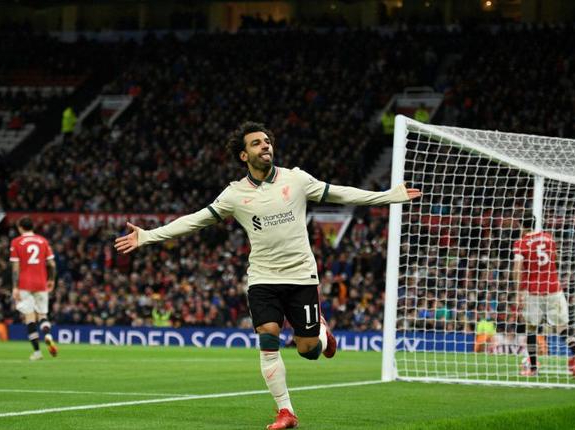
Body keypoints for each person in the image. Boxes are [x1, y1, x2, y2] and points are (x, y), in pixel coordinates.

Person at [115, 121, 421, 429]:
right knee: (268, 338)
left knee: (308, 351)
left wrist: (387, 196)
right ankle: (286, 411)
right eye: (256, 143)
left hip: (301, 277)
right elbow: (195, 220)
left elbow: (340, 194)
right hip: (262, 279)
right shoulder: (234, 194)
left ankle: (321, 334)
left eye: (267, 141)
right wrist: (148, 236)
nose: (265, 146)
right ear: (243, 156)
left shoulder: (296, 179)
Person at [512, 220, 575, 377]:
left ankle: (533, 368)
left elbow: (517, 268)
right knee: (562, 327)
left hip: (534, 292)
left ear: (520, 225)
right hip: (553, 289)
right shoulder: (549, 238)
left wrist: (518, 292)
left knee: (531, 329)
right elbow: (554, 258)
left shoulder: (520, 243)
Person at [9, 217, 58, 360]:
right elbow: (52, 264)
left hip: (25, 284)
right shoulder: (43, 241)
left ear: (20, 227)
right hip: (41, 282)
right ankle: (47, 335)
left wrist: (14, 286)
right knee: (42, 315)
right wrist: (51, 279)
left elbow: (16, 267)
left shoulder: (16, 242)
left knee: (29, 317)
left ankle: (37, 352)